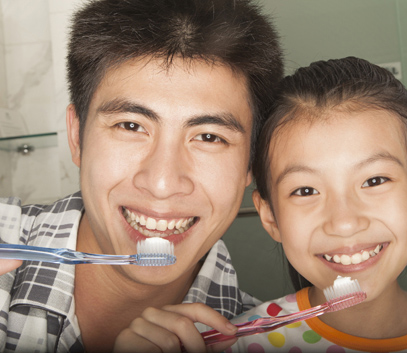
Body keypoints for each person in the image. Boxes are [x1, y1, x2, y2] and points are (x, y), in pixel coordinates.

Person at [0, 0, 283, 352]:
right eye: (131, 126)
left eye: (209, 137)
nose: (162, 183)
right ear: (77, 137)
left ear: (250, 165)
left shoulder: (264, 341)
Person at [226, 57, 407, 352]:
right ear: (269, 217)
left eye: (374, 181)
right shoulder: (234, 345)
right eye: (305, 190)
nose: (344, 222)